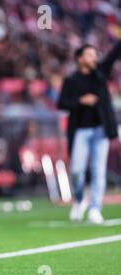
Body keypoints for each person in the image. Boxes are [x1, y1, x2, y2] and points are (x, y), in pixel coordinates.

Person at [58, 41, 121, 224]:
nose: (94, 57)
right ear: (79, 58)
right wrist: (80, 101)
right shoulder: (71, 80)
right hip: (80, 131)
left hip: (101, 130)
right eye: (90, 54)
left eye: (95, 54)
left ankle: (95, 208)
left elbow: (113, 54)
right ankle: (79, 200)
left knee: (97, 171)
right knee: (77, 170)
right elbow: (62, 103)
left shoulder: (100, 73)